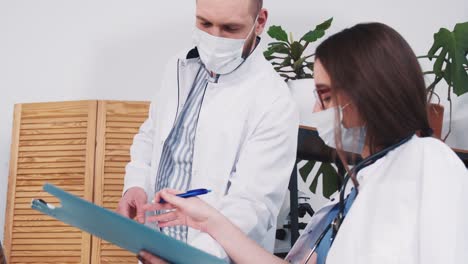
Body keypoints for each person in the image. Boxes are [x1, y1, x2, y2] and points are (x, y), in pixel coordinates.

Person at [139, 22, 468, 264]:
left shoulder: (429, 161)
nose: (315, 111)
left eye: (325, 96)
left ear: (369, 91)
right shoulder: (355, 189)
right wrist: (209, 222)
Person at [116, 0, 299, 260]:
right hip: (153, 247)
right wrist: (135, 185)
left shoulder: (274, 101)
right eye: (205, 23)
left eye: (230, 28)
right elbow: (151, 136)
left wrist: (187, 258)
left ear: (259, 22)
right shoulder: (178, 67)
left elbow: (252, 206)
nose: (214, 37)